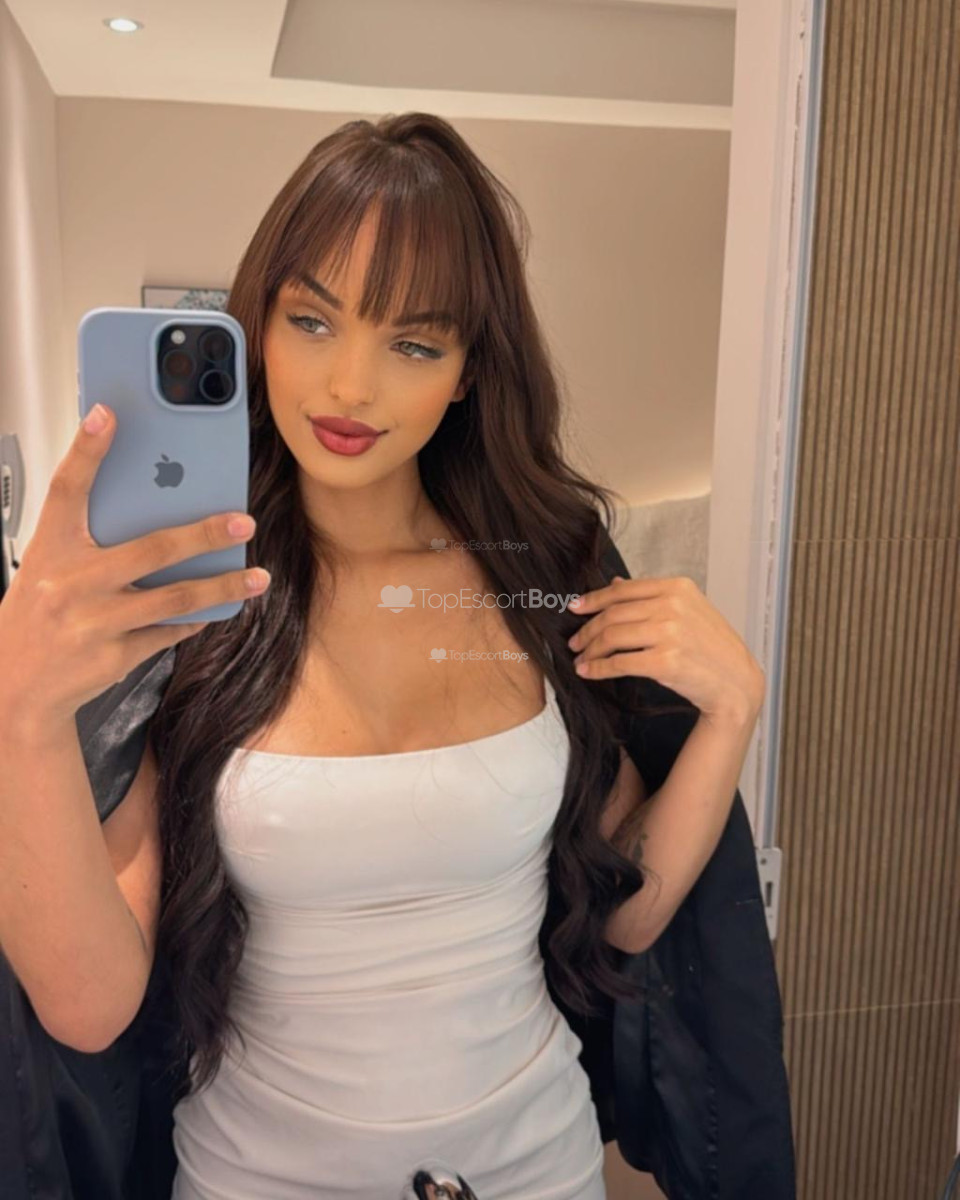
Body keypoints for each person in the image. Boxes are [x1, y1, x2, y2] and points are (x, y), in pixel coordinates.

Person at [0, 112, 790, 1200]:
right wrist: (21, 711)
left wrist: (733, 713)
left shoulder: (536, 574)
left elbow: (625, 907)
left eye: (413, 344)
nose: (350, 387)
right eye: (311, 321)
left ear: (467, 371)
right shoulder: (192, 603)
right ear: (259, 325)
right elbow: (89, 1007)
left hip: (539, 1169)